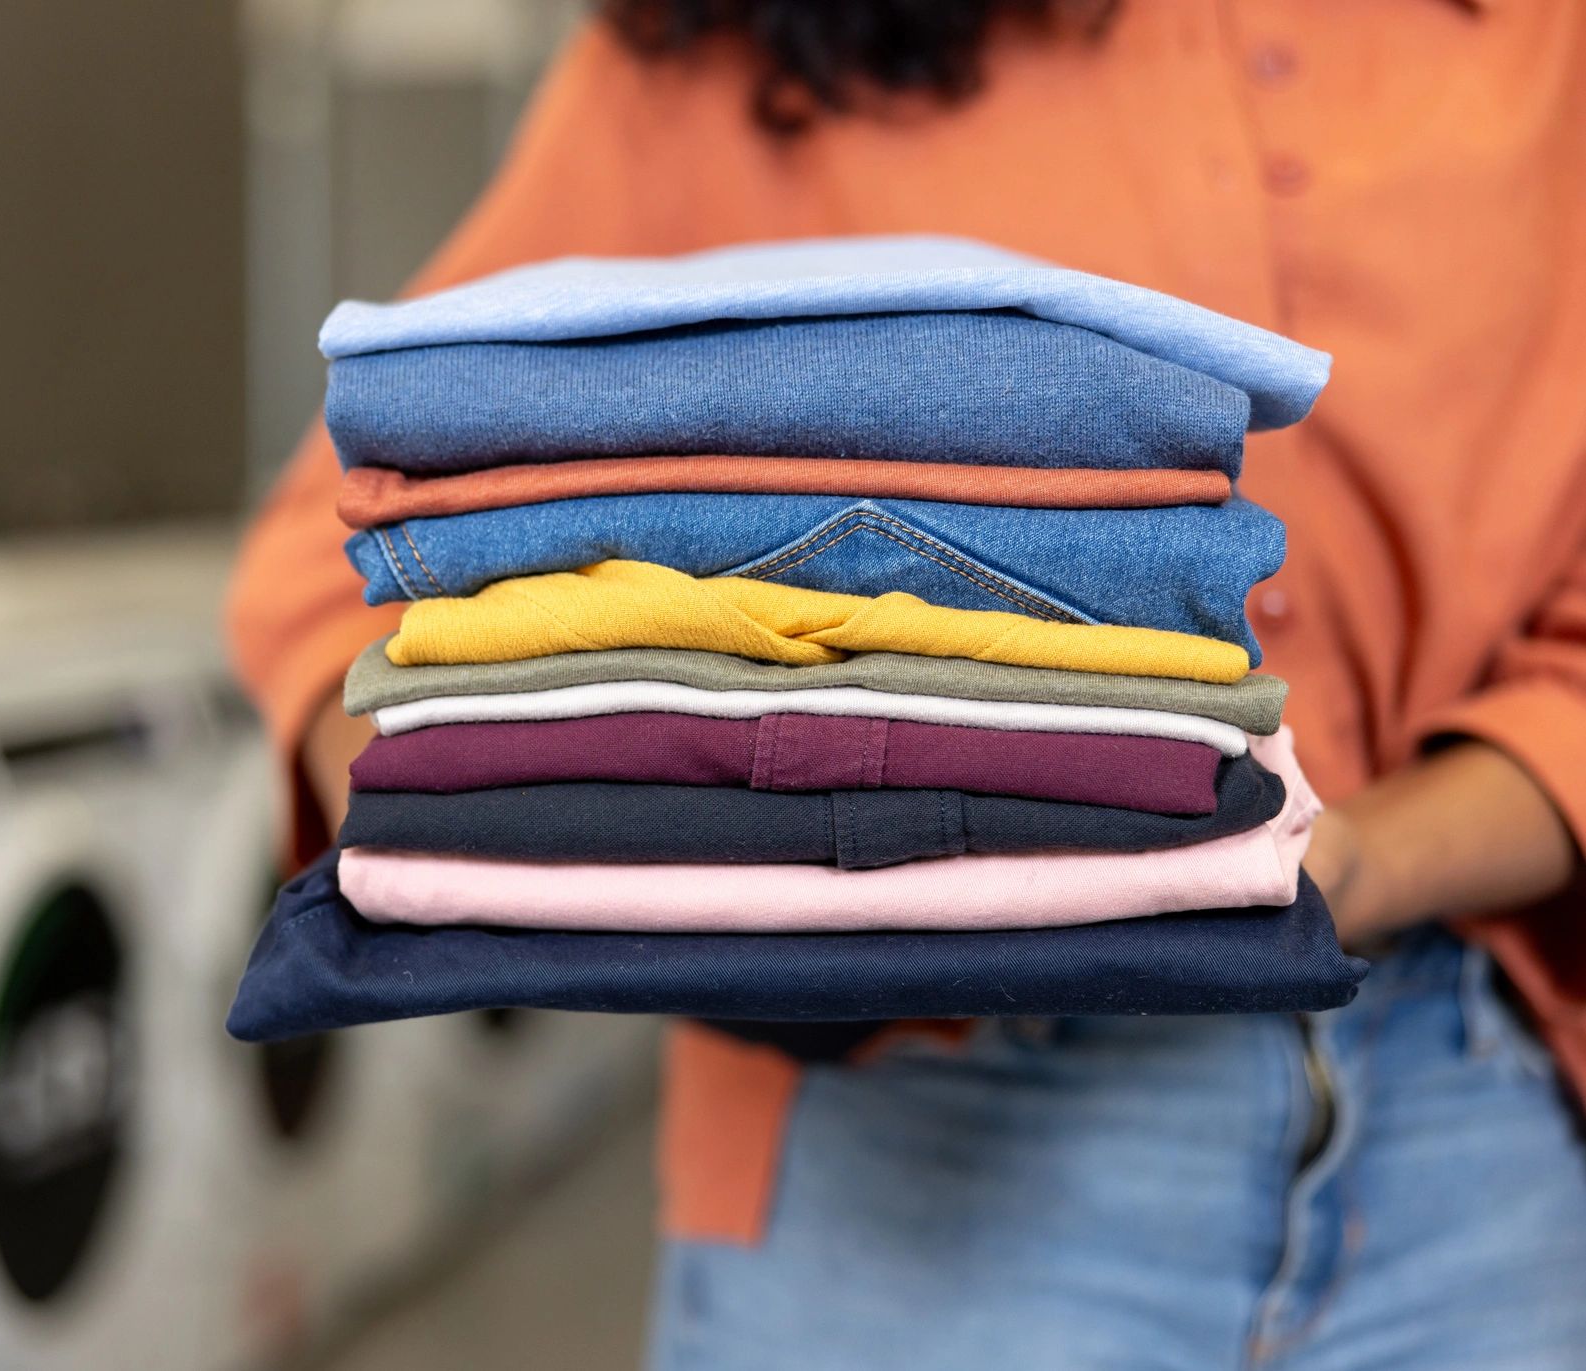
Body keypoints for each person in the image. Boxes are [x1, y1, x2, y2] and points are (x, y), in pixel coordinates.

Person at [227, 2, 1586, 1365]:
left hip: (1473, 1164)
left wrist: (1356, 867)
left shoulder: (1533, 44)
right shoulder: (719, 53)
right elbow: (328, 554)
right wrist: (607, 815)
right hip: (911, 1153)